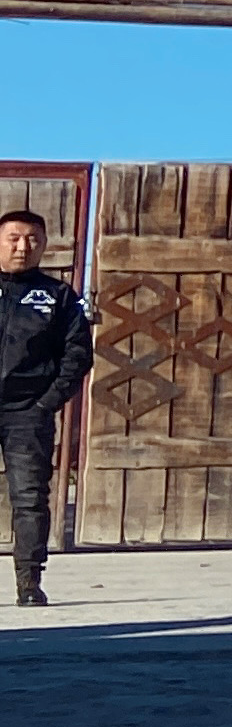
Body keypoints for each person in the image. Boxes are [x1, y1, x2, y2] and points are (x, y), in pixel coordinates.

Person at [0, 208, 90, 607]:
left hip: (26, 413)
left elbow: (78, 354)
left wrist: (46, 404)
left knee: (30, 497)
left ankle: (29, 583)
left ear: (44, 245)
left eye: (33, 239)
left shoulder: (58, 297)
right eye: (14, 238)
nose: (23, 246)